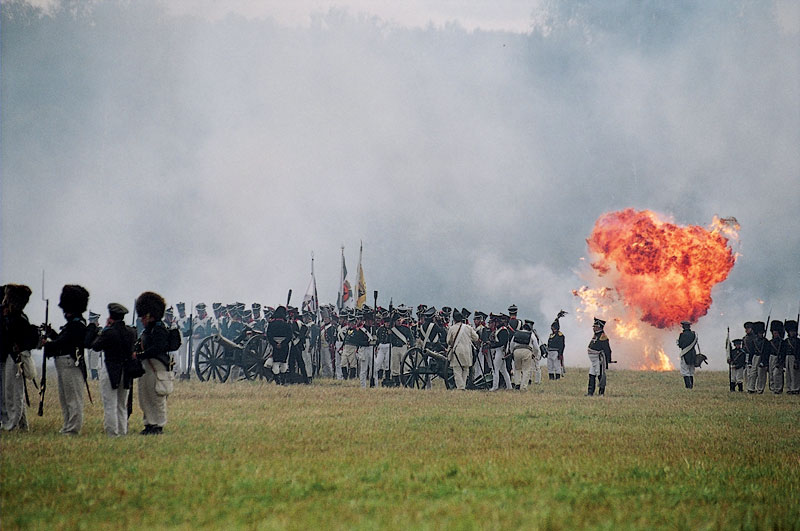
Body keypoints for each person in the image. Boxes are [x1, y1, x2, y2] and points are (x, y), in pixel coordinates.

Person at [43, 284, 90, 435]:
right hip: (64, 363)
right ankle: (67, 425)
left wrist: (48, 344)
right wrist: (51, 334)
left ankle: (73, 428)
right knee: (65, 399)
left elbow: (64, 343)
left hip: (71, 363)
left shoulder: (77, 325)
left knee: (73, 400)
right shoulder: (73, 324)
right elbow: (62, 340)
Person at [87, 303, 136, 436]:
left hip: (110, 369)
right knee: (121, 405)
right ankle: (122, 431)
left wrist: (105, 329)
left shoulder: (109, 332)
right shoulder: (131, 332)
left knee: (110, 404)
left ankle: (112, 434)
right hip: (126, 371)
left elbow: (95, 346)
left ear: (111, 317)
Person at [1, 284, 39, 431]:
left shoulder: (19, 319)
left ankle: (12, 424)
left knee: (13, 393)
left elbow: (25, 339)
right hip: (7, 356)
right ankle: (19, 424)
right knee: (11, 392)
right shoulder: (9, 316)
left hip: (14, 357)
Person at [135, 291, 171, 435]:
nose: (142, 320)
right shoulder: (149, 330)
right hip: (147, 365)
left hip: (156, 365)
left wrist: (141, 354)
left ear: (150, 315)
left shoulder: (159, 329)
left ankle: (158, 425)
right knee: (145, 396)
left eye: (144, 316)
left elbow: (157, 348)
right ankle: (149, 423)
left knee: (156, 396)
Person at [447, 309, 478, 390]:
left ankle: (461, 388)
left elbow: (448, 341)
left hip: (457, 351)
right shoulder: (468, 327)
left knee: (457, 371)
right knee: (465, 370)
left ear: (454, 319)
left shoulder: (452, 328)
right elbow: (476, 338)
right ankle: (462, 387)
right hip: (467, 351)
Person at [267, 306, 292, 384]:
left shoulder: (271, 324)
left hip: (274, 345)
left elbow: (269, 336)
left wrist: (275, 344)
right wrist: (282, 344)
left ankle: (278, 380)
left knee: (276, 363)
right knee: (283, 362)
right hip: (284, 346)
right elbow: (289, 336)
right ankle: (283, 380)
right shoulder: (287, 325)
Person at [587, 318, 611, 396]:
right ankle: (590, 392)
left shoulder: (603, 336)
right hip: (594, 360)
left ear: (599, 327)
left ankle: (601, 393)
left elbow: (607, 349)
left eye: (595, 326)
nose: (593, 328)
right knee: (591, 375)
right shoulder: (597, 334)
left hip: (599, 359)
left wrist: (608, 360)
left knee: (601, 376)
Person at [488, 314, 512, 391]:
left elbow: (501, 343)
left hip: (500, 351)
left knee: (495, 369)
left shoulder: (503, 330)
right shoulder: (500, 329)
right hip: (499, 351)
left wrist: (491, 346)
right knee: (503, 370)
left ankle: (495, 387)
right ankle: (509, 386)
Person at [510, 321, 535, 390]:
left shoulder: (516, 333)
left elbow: (511, 344)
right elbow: (536, 346)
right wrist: (534, 354)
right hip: (527, 351)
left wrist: (512, 352)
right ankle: (523, 387)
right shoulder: (531, 335)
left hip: (516, 351)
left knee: (517, 369)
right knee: (526, 370)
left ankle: (517, 384)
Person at [767, 320, 787, 394]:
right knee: (771, 374)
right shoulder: (770, 342)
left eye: (776, 333)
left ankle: (778, 389)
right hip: (771, 357)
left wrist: (781, 361)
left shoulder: (782, 342)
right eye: (774, 333)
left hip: (778, 358)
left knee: (777, 374)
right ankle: (773, 389)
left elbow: (783, 352)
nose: (775, 334)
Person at [677, 321, 698, 389]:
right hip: (693, 354)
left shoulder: (682, 335)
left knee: (685, 371)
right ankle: (691, 386)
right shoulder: (694, 334)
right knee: (691, 371)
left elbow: (680, 345)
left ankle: (688, 387)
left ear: (684, 327)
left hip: (685, 354)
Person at [547, 313, 566, 380]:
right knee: (550, 366)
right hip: (550, 352)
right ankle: (551, 378)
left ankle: (557, 378)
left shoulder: (560, 335)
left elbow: (562, 345)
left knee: (557, 366)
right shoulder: (551, 335)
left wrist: (560, 354)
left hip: (556, 352)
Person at [784, 320, 800, 395]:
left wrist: (797, 360)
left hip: (794, 357)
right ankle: (789, 388)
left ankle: (795, 388)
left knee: (795, 374)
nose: (792, 333)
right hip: (787, 357)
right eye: (791, 331)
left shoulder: (798, 341)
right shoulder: (786, 341)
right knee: (788, 374)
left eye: (793, 331)